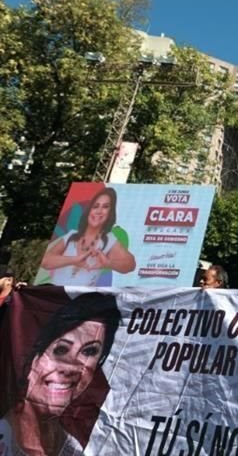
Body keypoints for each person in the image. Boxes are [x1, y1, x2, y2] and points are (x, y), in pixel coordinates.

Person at [0, 290, 121, 456]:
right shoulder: (4, 433)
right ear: (35, 357)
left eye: (89, 351)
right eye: (61, 349)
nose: (70, 366)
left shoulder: (74, 445)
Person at [40, 188, 136, 287]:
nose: (99, 211)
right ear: (89, 210)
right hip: (55, 294)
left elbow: (130, 265)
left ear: (110, 213)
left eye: (105, 207)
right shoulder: (72, 235)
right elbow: (45, 262)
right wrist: (74, 260)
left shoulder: (109, 239)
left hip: (82, 299)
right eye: (95, 206)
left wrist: (108, 263)